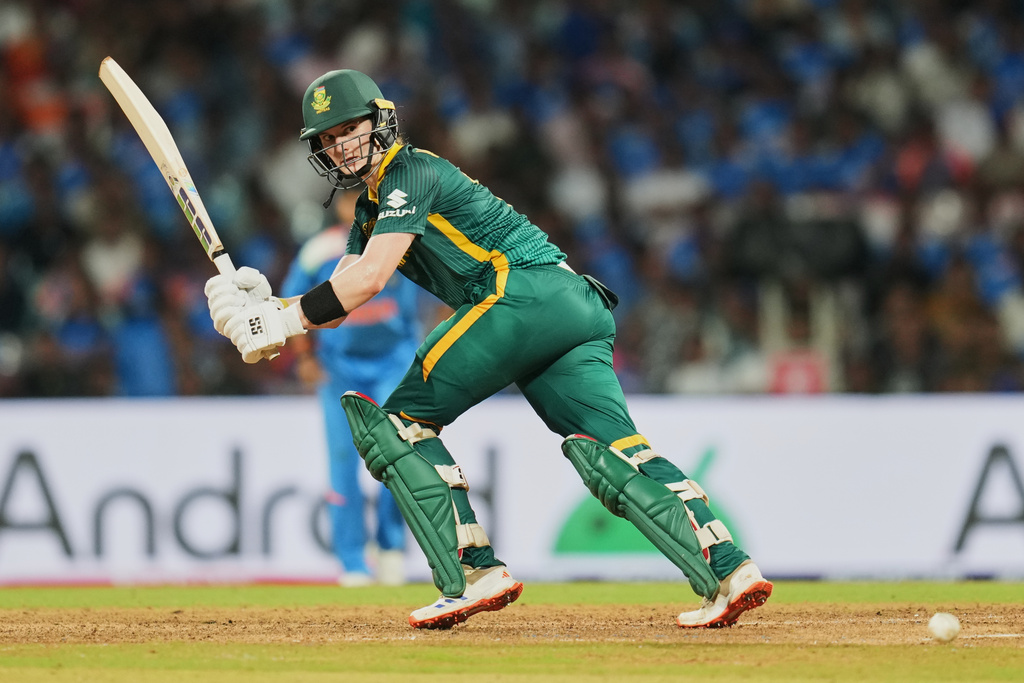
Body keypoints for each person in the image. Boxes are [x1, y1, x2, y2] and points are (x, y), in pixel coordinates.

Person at [205, 69, 772, 630]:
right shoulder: (374, 207)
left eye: (347, 128)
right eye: (326, 139)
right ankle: (729, 570)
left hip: (518, 294)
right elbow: (344, 291)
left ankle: (474, 575)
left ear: (381, 121)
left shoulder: (408, 171)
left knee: (400, 425)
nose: (338, 145)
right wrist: (271, 303)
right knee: (615, 450)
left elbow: (372, 279)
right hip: (573, 303)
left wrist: (283, 319)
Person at [280, 190, 422, 587]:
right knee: (343, 465)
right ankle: (353, 562)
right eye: (350, 202)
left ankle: (391, 549)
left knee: (400, 459)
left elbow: (431, 299)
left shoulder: (400, 242)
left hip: (393, 365)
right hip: (339, 371)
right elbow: (295, 306)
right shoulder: (318, 252)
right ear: (341, 207)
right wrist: (306, 359)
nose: (358, 208)